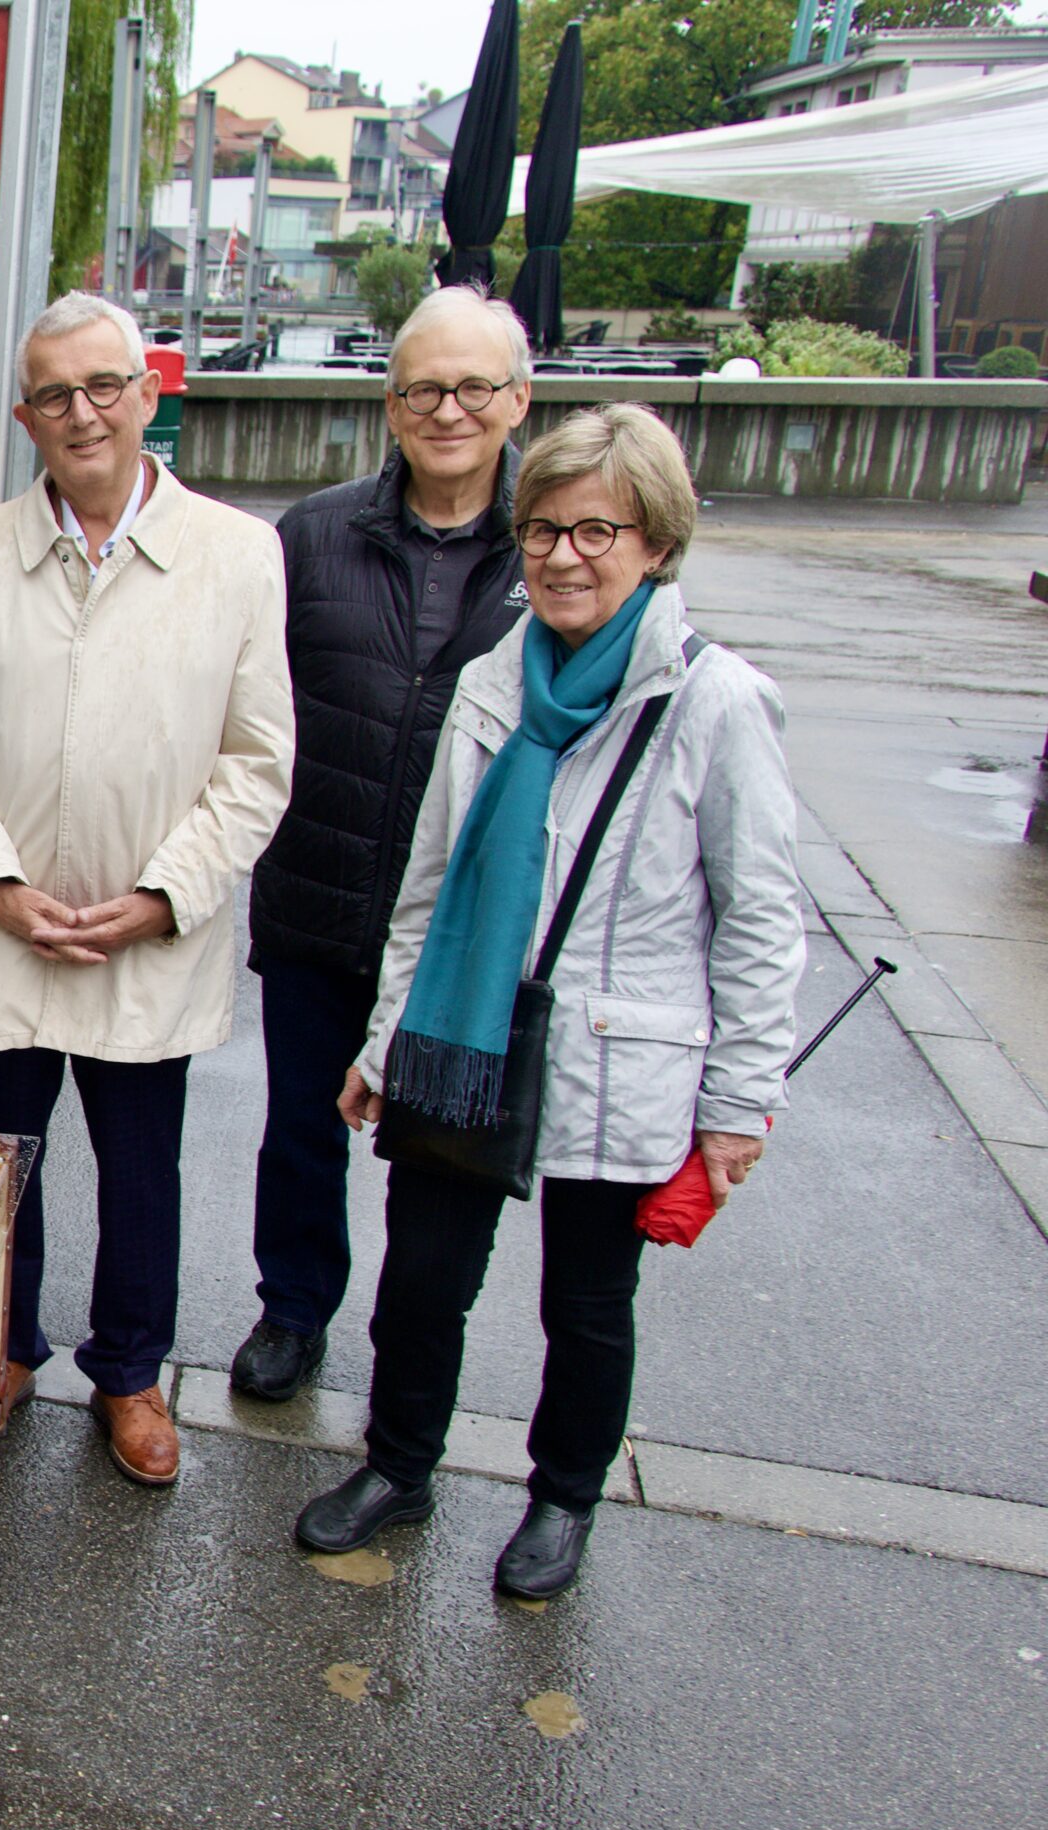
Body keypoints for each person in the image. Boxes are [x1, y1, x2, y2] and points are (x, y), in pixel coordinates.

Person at [296, 404, 804, 1598]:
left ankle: (563, 1498)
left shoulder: (715, 701)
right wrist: (386, 1039)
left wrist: (737, 1107)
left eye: (596, 532)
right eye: (542, 530)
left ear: (656, 544)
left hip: (619, 1057)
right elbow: (429, 885)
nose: (563, 556)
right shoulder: (492, 678)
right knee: (422, 1280)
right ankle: (398, 1465)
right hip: (461, 1038)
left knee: (584, 1305)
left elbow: (760, 920)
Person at [0, 292, 295, 1488]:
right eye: (55, 395)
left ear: (146, 394)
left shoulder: (236, 555)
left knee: (141, 1170)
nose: (83, 413)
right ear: (25, 417)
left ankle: (129, 1373)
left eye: (104, 386)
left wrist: (165, 896)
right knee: (3, 1163)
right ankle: (5, 1347)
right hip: (7, 931)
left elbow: (256, 761)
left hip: (146, 934)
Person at [234, 286, 536, 1404]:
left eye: (473, 387)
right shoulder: (314, 535)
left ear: (518, 399)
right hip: (317, 892)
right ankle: (293, 1309)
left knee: (434, 1153)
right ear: (391, 402)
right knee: (300, 1131)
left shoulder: (550, 543)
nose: (447, 410)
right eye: (422, 389)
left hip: (461, 924)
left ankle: (408, 1353)